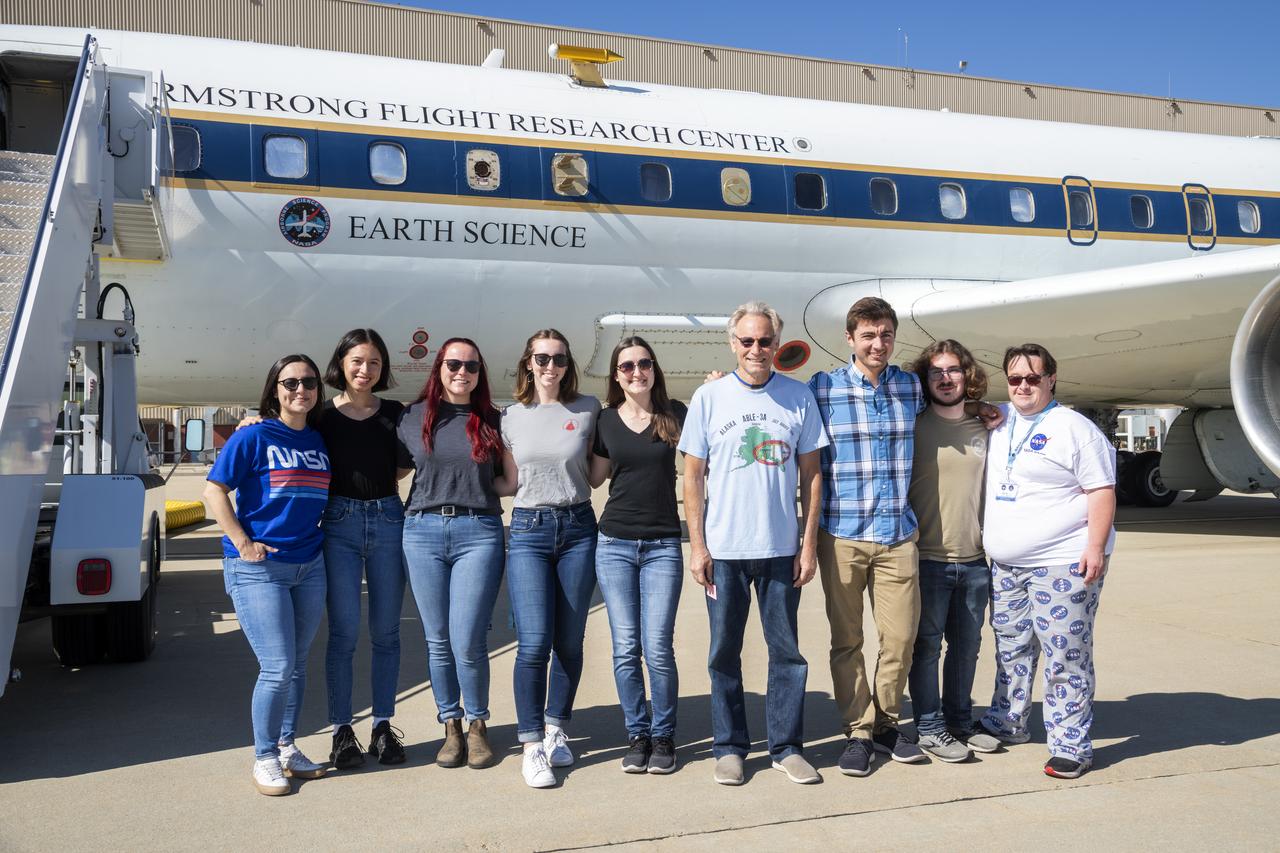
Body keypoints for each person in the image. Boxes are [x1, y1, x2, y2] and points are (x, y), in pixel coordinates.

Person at [680, 301, 827, 787]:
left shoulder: (798, 396)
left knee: (787, 653)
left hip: (781, 550)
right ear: (733, 344)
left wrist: (807, 546)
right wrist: (698, 547)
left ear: (776, 343)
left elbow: (812, 476)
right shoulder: (710, 398)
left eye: (765, 340)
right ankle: (730, 747)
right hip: (724, 553)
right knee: (725, 652)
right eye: (747, 340)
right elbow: (693, 477)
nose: (757, 349)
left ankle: (786, 747)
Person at [979, 343, 1116, 780]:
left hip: (1062, 562)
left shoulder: (1075, 429)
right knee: (1011, 648)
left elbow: (1102, 491)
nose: (1023, 386)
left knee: (1065, 655)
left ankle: (1071, 744)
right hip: (1007, 567)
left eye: (1033, 378)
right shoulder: (999, 420)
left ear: (1051, 379)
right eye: (1015, 378)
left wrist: (1095, 547)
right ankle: (1008, 721)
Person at [808, 297, 930, 776]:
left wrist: (984, 409)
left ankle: (886, 722)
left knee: (900, 639)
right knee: (848, 640)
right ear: (850, 339)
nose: (877, 344)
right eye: (868, 336)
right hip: (842, 534)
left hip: (897, 535)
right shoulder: (823, 388)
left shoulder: (910, 387)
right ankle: (858, 730)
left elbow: (950, 403)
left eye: (885, 336)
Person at [204, 354, 331, 796]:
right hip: (259, 568)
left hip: (309, 565)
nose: (301, 389)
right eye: (290, 382)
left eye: (309, 382)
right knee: (277, 666)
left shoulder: (319, 438)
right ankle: (263, 758)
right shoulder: (254, 436)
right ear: (274, 389)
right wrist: (242, 542)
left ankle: (286, 746)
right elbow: (214, 491)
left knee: (296, 666)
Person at [398, 338, 511, 770]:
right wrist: (261, 420)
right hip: (422, 530)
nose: (462, 372)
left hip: (478, 531)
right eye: (453, 364)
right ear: (439, 368)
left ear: (480, 373)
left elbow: (507, 480)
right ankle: (451, 725)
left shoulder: (492, 421)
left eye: (471, 366)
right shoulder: (410, 417)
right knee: (437, 640)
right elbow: (354, 424)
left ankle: (478, 724)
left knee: (467, 639)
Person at [502, 329, 601, 788]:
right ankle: (531, 744)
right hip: (527, 530)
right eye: (541, 357)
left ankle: (557, 727)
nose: (550, 366)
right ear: (528, 362)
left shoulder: (588, 409)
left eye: (558, 358)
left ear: (567, 364)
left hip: (579, 527)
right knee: (534, 641)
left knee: (570, 639)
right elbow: (504, 481)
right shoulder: (509, 416)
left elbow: (601, 467)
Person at [587, 336, 687, 775]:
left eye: (644, 364)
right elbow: (592, 479)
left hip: (664, 544)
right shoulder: (604, 421)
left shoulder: (676, 415)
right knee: (626, 647)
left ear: (654, 369)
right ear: (616, 376)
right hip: (615, 544)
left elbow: (709, 448)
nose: (636, 372)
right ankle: (638, 733)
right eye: (626, 366)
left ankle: (664, 736)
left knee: (658, 647)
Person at [904, 340, 1003, 762]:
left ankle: (960, 720)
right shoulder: (913, 423)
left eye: (954, 370)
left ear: (968, 375)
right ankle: (929, 726)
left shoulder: (988, 426)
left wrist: (989, 408)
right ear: (925, 380)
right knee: (926, 647)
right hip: (927, 557)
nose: (946, 379)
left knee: (967, 646)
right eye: (936, 372)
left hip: (975, 559)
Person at [318, 329, 408, 769]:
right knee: (344, 633)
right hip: (339, 524)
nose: (364, 370)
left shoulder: (394, 412)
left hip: (389, 521)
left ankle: (382, 727)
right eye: (357, 361)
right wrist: (253, 422)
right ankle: (341, 731)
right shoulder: (321, 416)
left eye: (374, 362)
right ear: (341, 363)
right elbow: (284, 432)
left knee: (387, 633)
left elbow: (407, 461)